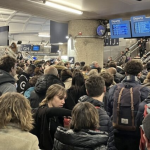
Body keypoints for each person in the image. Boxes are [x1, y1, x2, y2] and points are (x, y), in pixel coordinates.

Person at [108, 60, 150, 150]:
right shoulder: (144, 90)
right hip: (135, 134)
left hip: (116, 131)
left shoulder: (114, 88)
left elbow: (108, 109)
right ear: (139, 73)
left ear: (125, 72)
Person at [79, 75, 116, 150]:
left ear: (87, 91)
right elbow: (107, 143)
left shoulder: (78, 108)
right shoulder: (103, 116)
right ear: (104, 89)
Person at [32, 84, 71, 150]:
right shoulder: (41, 111)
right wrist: (75, 112)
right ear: (51, 96)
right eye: (60, 98)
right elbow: (50, 111)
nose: (63, 102)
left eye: (64, 99)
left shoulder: (58, 115)